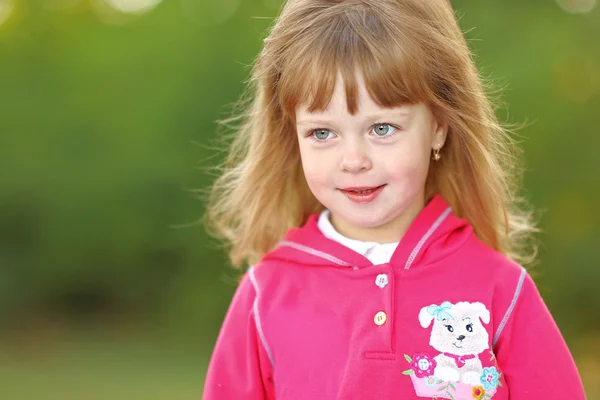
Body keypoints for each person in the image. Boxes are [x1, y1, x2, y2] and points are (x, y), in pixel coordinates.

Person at [202, 0, 586, 398]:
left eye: (382, 128)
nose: (353, 161)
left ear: (439, 126)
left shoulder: (499, 288)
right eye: (322, 133)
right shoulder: (265, 293)